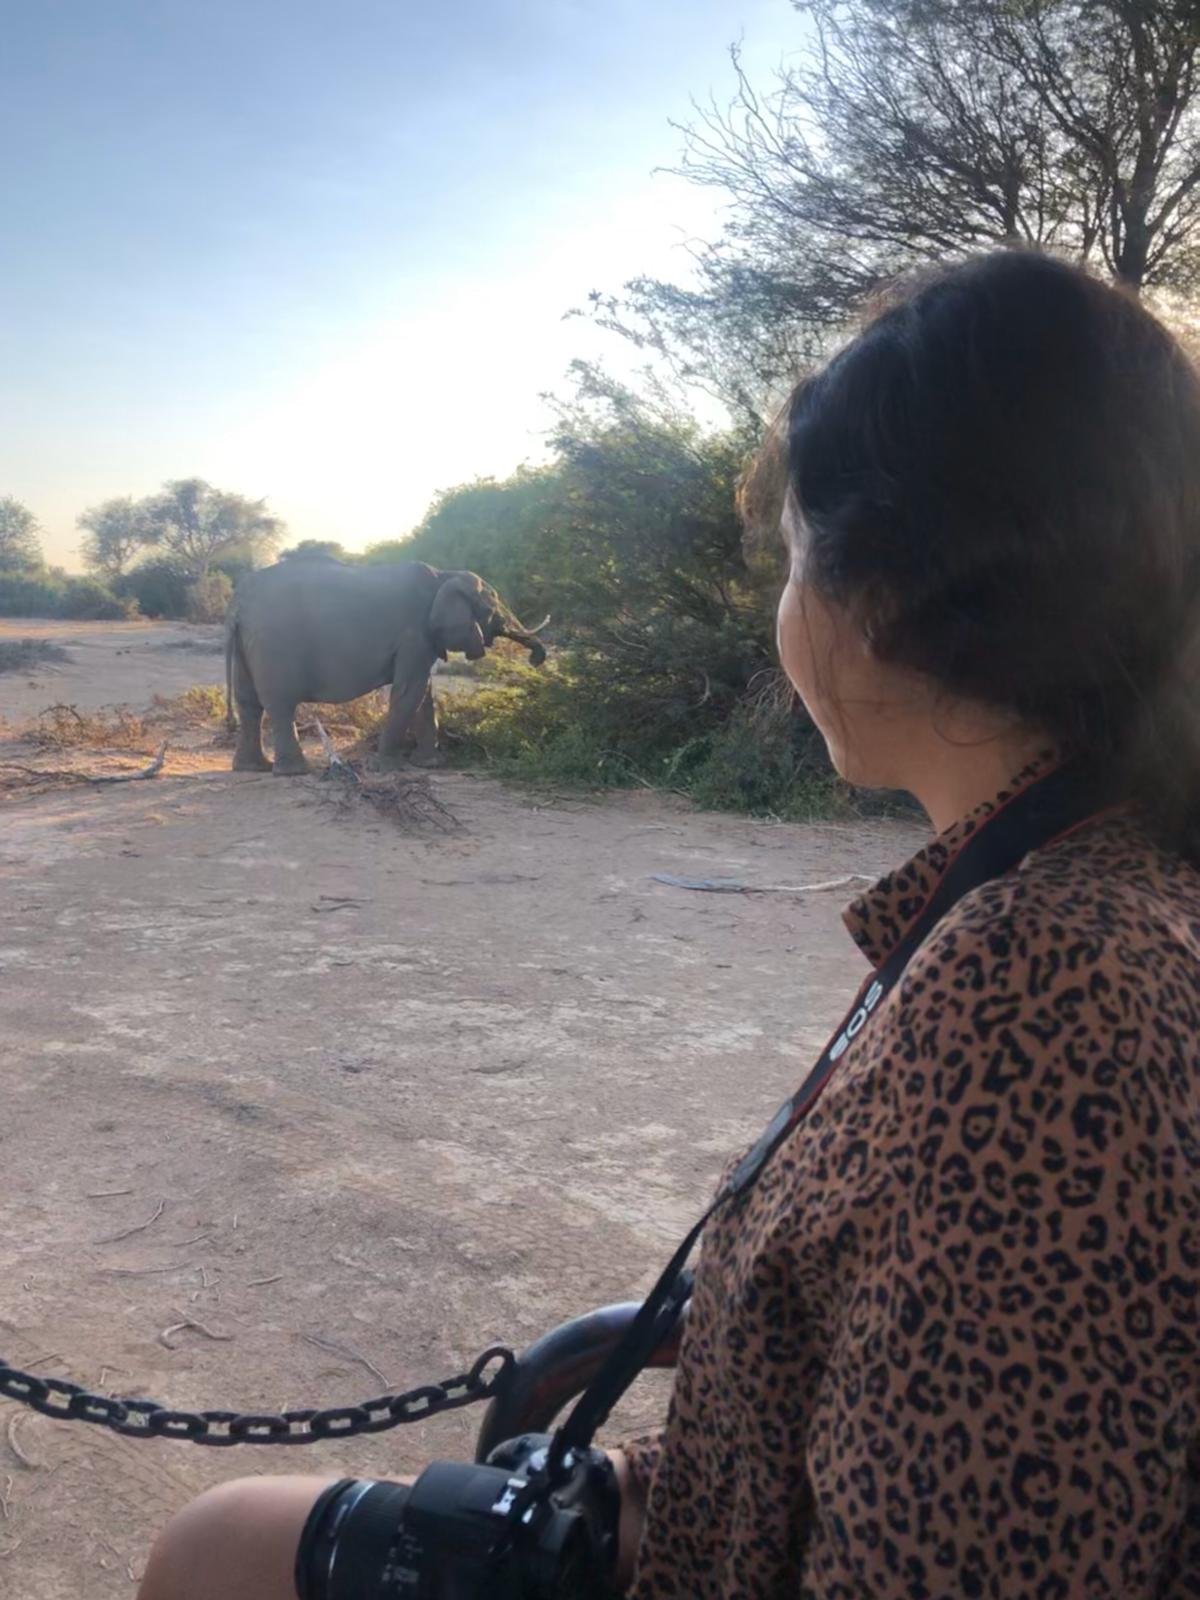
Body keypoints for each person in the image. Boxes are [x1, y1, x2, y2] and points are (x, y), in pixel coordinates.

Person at [137, 248, 1200, 1600]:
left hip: (726, 1552)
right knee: (219, 1535)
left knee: (204, 1556)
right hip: (725, 1497)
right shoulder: (1086, 879)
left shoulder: (1044, 1003)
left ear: (884, 600)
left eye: (796, 559)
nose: (785, 607)